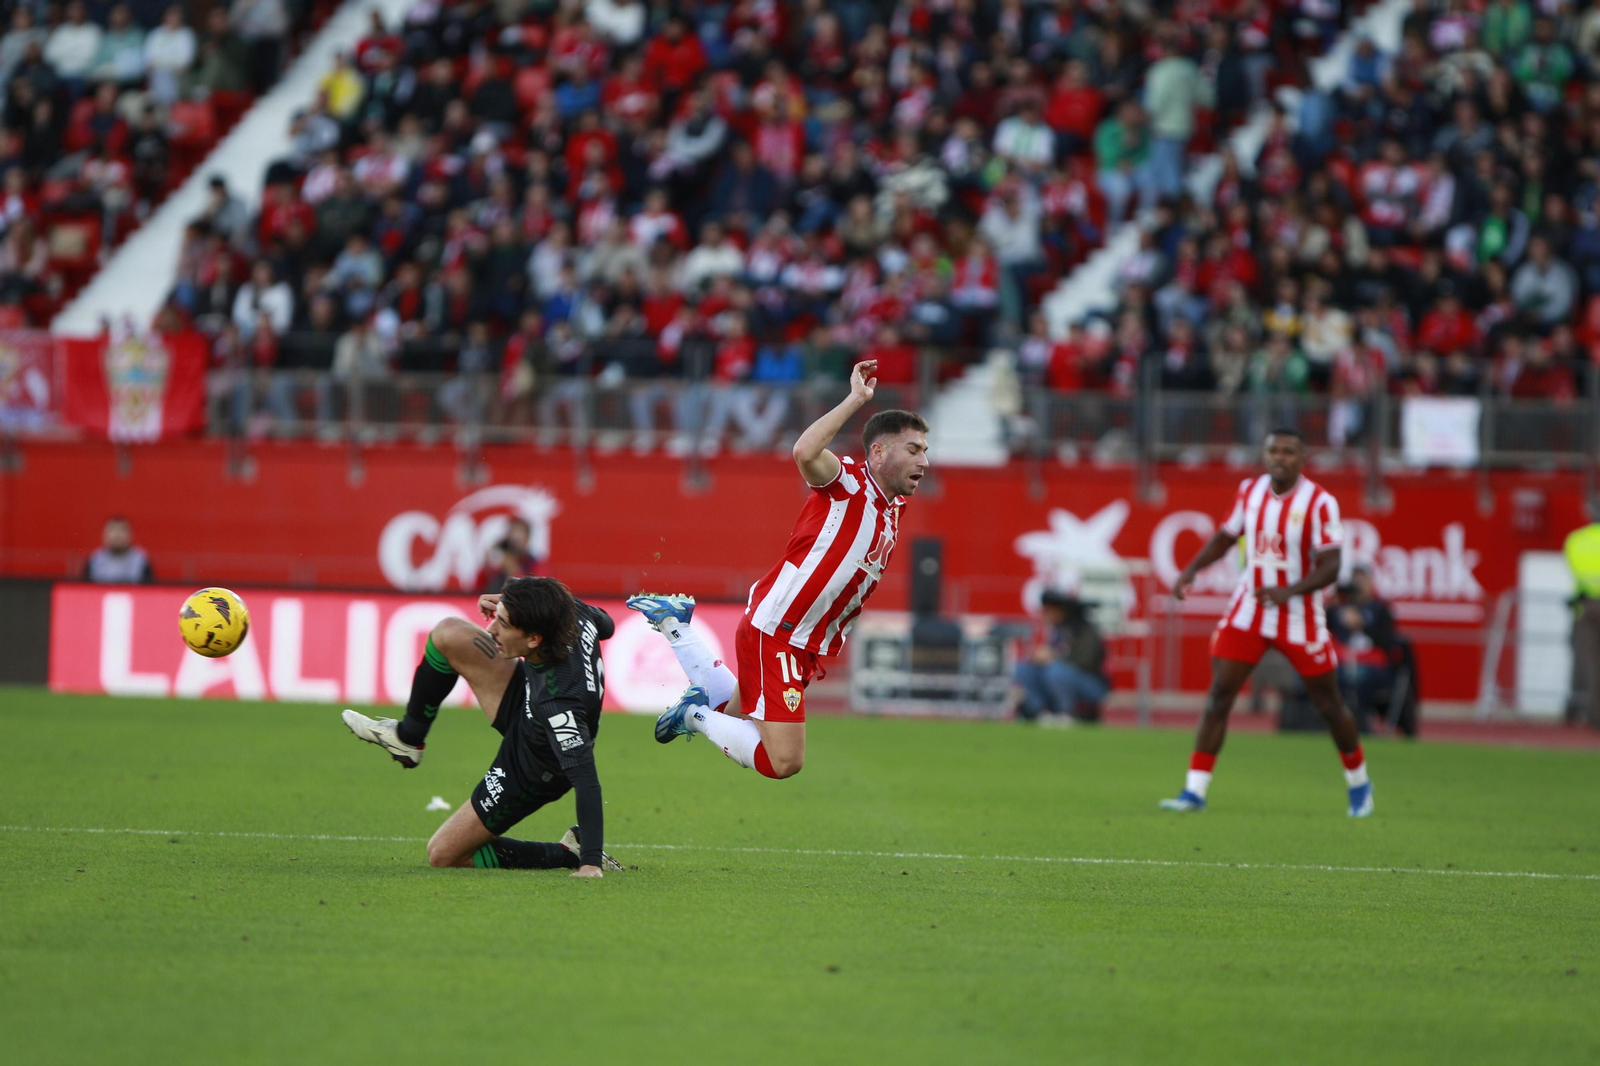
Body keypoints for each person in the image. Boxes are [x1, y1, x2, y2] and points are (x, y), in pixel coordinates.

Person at [627, 361, 929, 779]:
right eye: (914, 450)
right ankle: (692, 715)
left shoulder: (892, 509)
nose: (924, 461)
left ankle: (675, 626)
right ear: (878, 452)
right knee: (783, 760)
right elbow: (805, 452)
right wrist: (856, 399)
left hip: (803, 640)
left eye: (925, 451)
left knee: (734, 717)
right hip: (780, 631)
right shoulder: (849, 484)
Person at [340, 577, 621, 876]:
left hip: (533, 764)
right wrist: (514, 605)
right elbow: (607, 625)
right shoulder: (570, 612)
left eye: (503, 623)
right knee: (449, 634)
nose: (490, 628)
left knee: (444, 854)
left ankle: (568, 853)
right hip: (527, 697)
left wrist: (590, 862)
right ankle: (408, 739)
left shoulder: (559, 705)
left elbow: (586, 780)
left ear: (534, 639)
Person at [1160, 428, 1374, 816]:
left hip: (1299, 615)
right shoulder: (1250, 491)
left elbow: (1332, 567)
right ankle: (1194, 790)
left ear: (1302, 456)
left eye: (1288, 451)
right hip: (1251, 608)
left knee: (1329, 704)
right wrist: (1190, 570)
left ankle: (1359, 782)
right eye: (1273, 450)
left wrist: (1289, 591)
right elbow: (1226, 538)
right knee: (1220, 694)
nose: (1279, 457)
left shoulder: (1320, 502)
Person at [1012, 590, 1108, 724]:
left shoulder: (1085, 630)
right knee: (1023, 669)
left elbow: (1087, 661)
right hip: (1059, 675)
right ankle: (1038, 713)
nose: (1045, 615)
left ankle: (1066, 713)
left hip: (1090, 683)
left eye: (1049, 611)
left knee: (1056, 671)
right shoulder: (1056, 630)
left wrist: (1054, 657)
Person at [1327, 567, 1403, 732]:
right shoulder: (1340, 608)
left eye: (1362, 582)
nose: (1358, 587)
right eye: (1355, 582)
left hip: (1373, 665)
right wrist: (1334, 602)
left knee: (1358, 676)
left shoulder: (1380, 609)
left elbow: (1388, 642)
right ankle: (1332, 722)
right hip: (1343, 661)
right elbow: (1321, 628)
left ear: (1370, 584)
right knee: (1328, 677)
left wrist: (1362, 625)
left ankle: (1360, 723)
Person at [1564, 517, 1600, 730]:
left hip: (1585, 607)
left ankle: (1593, 715)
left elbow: (1575, 574)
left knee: (1591, 665)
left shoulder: (1577, 540)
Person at [477, 517, 543, 594]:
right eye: (512, 532)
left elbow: (536, 593)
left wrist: (512, 569)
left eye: (520, 533)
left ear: (527, 538)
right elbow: (478, 588)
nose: (515, 537)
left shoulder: (536, 565)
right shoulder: (499, 565)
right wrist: (486, 567)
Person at [84, 516, 153, 583]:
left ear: (131, 534)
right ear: (104, 534)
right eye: (112, 530)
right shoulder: (95, 560)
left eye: (122, 530)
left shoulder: (141, 560)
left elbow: (148, 589)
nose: (117, 534)